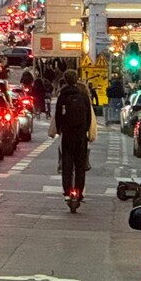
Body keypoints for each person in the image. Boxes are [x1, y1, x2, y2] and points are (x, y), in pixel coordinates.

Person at [52, 69, 93, 203]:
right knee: (80, 165)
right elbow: (89, 116)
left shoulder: (63, 95)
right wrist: (85, 130)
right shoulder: (83, 96)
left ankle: (67, 191)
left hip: (68, 134)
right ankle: (79, 192)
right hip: (81, 135)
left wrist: (59, 129)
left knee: (67, 164)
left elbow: (58, 115)